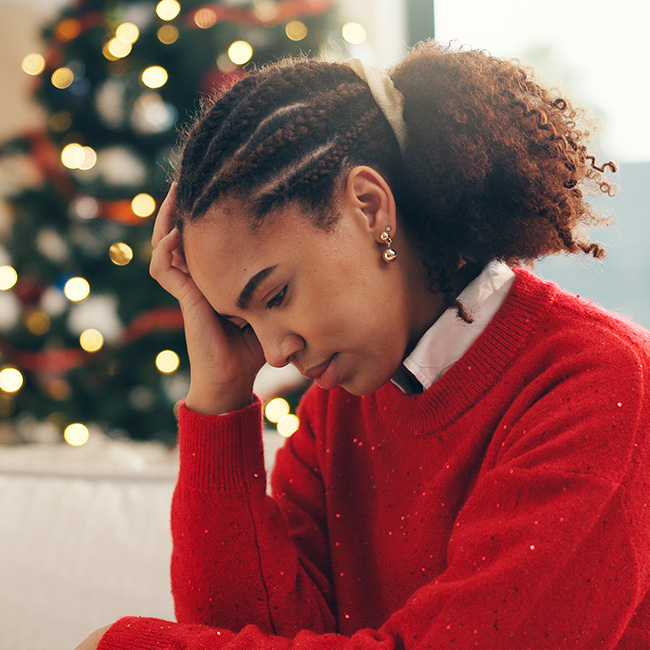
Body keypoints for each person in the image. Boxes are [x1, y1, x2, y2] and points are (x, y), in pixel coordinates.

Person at [76, 40, 650, 650]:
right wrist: (219, 398)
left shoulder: (602, 384)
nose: (274, 354)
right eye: (244, 323)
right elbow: (242, 633)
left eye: (274, 297)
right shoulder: (337, 409)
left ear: (369, 206)